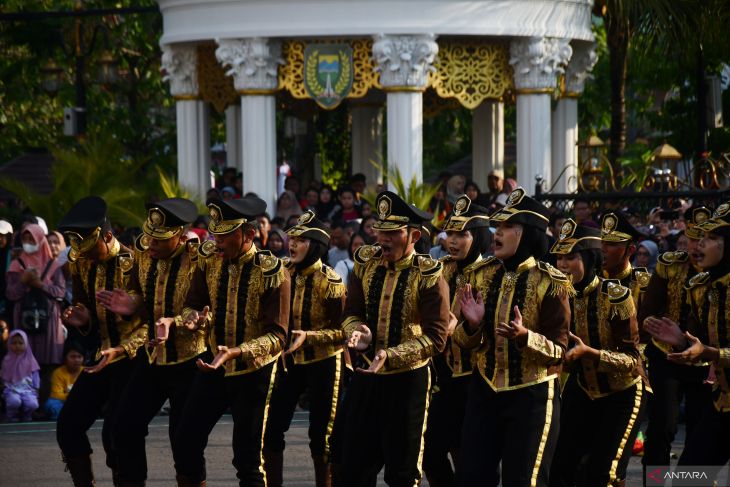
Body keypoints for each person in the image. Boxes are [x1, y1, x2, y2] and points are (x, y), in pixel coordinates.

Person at [299, 191, 450, 486]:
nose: (382, 238)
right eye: (379, 230)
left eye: (392, 232)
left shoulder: (429, 274)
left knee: (402, 472)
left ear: (414, 235)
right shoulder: (365, 264)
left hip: (409, 381)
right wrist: (359, 330)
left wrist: (390, 355)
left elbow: (436, 337)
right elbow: (351, 311)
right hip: (366, 376)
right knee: (349, 465)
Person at [454, 187, 571, 487]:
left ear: (528, 234)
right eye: (497, 225)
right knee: (471, 477)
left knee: (524, 481)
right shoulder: (480, 274)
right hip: (485, 388)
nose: (497, 232)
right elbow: (462, 341)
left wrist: (525, 337)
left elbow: (560, 351)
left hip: (531, 395)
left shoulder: (551, 282)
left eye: (507, 226)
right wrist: (473, 325)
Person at [171, 195, 290, 487]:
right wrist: (194, 318)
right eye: (215, 235)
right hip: (214, 365)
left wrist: (237, 352)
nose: (218, 243)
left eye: (225, 236)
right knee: (185, 441)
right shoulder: (210, 260)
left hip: (255, 371)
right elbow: (192, 304)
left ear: (248, 234)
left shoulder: (273, 271)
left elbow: (278, 337)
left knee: (248, 459)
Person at [93, 198, 205, 487]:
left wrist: (180, 322)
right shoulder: (143, 252)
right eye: (149, 235)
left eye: (160, 238)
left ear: (180, 237)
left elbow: (212, 307)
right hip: (153, 356)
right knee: (124, 427)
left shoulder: (201, 258)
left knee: (185, 441)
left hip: (191, 360)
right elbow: (141, 295)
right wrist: (134, 304)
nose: (151, 243)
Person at [548, 220, 648, 487]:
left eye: (570, 258)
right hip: (582, 389)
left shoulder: (615, 296)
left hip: (623, 394)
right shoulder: (557, 293)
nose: (562, 265)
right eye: (559, 258)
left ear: (591, 258)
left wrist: (589, 353)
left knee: (603, 475)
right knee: (559, 469)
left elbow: (632, 361)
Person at [56, 196, 147, 487]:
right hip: (100, 355)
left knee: (116, 433)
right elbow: (84, 308)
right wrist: (82, 320)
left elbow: (154, 318)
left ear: (108, 237)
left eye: (90, 248)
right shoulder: (81, 263)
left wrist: (134, 307)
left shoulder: (135, 263)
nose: (84, 255)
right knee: (68, 426)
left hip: (133, 359)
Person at [264, 210, 347, 487]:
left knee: (322, 436)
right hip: (288, 361)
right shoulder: (282, 273)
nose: (292, 244)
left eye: (300, 240)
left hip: (324, 361)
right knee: (272, 427)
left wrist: (309, 337)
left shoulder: (331, 281)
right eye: (291, 239)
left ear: (317, 246)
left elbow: (344, 332)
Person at [645, 202, 730, 471]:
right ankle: (653, 483)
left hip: (706, 370)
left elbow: (710, 346)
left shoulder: (708, 283)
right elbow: (647, 311)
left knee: (695, 432)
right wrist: (678, 340)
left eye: (710, 238)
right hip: (673, 358)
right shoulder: (698, 283)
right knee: (663, 430)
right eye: (695, 237)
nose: (699, 245)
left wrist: (705, 352)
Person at [423, 195, 490, 487]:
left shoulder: (492, 273)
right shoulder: (440, 269)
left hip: (478, 377)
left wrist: (466, 326)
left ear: (478, 237)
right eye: (450, 233)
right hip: (443, 374)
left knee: (469, 457)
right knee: (430, 452)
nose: (453, 240)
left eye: (462, 234)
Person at [6, 224, 66, 366]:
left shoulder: (53, 265)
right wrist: (23, 281)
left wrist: (41, 285)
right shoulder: (16, 264)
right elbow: (10, 294)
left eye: (32, 239)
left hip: (49, 318)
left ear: (40, 240)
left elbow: (61, 292)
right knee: (24, 359)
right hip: (24, 316)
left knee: (47, 363)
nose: (28, 243)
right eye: (25, 239)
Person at [600, 211, 651, 309]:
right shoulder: (593, 279)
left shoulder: (644, 284)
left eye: (611, 244)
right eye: (601, 242)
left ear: (630, 250)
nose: (602, 249)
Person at [1, 329, 40, 422]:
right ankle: (11, 416)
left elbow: (35, 375)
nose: (17, 346)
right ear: (9, 344)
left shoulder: (30, 360)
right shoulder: (7, 360)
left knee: (33, 404)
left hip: (28, 389)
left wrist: (36, 387)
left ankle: (26, 415)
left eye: (20, 343)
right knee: (14, 402)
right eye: (14, 343)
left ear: (26, 344)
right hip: (11, 389)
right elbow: (3, 376)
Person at [44, 341, 84, 420]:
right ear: (65, 358)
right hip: (62, 402)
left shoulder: (86, 372)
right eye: (72, 356)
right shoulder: (58, 373)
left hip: (80, 402)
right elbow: (56, 395)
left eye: (79, 357)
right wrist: (74, 396)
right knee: (51, 404)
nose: (76, 360)